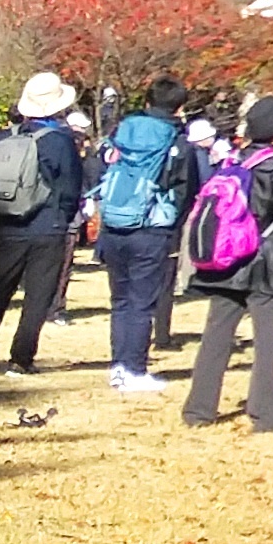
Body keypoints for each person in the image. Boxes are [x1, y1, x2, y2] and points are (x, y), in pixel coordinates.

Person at [182, 98, 273, 434]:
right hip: (267, 261)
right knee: (266, 342)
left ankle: (199, 410)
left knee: (215, 336)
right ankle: (266, 414)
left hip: (226, 259)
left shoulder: (231, 160)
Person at [0, 74, 88, 374]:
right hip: (48, 225)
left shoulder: (5, 137)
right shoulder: (60, 141)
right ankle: (20, 358)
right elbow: (70, 187)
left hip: (7, 223)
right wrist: (64, 218)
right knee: (38, 295)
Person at [93, 79, 198, 396]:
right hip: (152, 227)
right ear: (179, 107)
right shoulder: (177, 141)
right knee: (142, 302)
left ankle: (118, 367)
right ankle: (135, 369)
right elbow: (186, 190)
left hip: (113, 222)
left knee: (120, 301)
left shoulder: (123, 130)